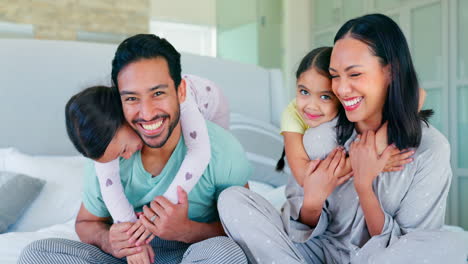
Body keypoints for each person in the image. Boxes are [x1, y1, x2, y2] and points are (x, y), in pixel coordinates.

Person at [218, 14, 467, 263]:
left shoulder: (430, 149)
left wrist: (364, 185)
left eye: (354, 74)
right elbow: (297, 231)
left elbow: (411, 245)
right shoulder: (321, 138)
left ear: (391, 71)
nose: (342, 89)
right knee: (232, 199)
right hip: (317, 254)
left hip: (379, 259)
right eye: (335, 75)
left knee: (455, 243)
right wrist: (312, 204)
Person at [19, 34, 251, 264]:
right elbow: (86, 223)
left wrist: (185, 230)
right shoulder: (107, 151)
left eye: (158, 93)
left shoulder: (221, 149)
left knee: (226, 253)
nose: (148, 113)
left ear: (181, 91)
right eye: (131, 98)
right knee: (38, 253)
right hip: (128, 259)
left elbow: (248, 230)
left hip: (190, 255)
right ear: (118, 100)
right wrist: (111, 241)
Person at [275, 47, 416, 187]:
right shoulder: (292, 114)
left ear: (341, 96)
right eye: (304, 92)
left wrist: (380, 143)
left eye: (325, 97)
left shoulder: (354, 106)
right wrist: (368, 163)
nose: (312, 106)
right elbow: (304, 178)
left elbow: (419, 95)